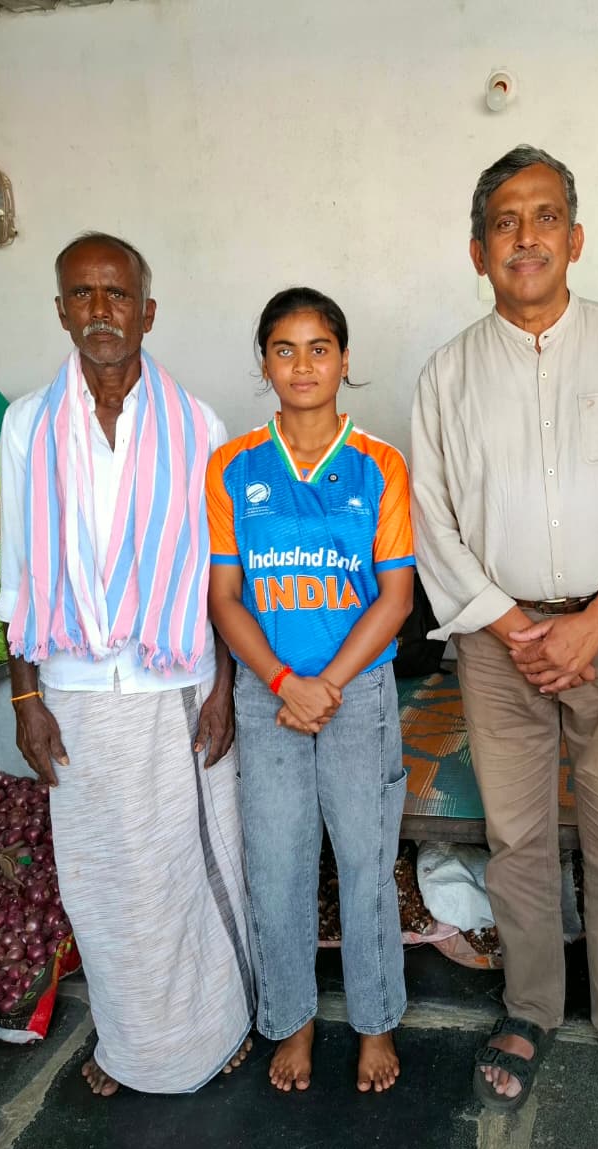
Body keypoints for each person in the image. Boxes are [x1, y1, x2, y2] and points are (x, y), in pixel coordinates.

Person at [410, 144, 598, 1127]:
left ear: (574, 237)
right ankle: (530, 1007)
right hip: (497, 638)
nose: (523, 235)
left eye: (542, 217)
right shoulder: (446, 373)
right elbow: (431, 518)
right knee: (518, 837)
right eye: (503, 221)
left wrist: (593, 620)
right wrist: (512, 622)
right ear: (477, 249)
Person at [0, 232, 254, 1095]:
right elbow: (23, 572)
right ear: (61, 311)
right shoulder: (30, 424)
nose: (100, 310)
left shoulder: (198, 425)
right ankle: (133, 1043)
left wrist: (220, 688)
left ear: (148, 310)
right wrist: (27, 697)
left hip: (174, 685)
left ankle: (215, 1030)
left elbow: (217, 573)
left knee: (189, 866)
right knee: (104, 886)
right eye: (81, 294)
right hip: (73, 693)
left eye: (116, 293)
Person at [206, 287, 413, 1094]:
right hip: (268, 695)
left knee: (365, 861)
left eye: (318, 347)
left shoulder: (379, 464)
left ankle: (375, 1023)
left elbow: (394, 597)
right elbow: (225, 596)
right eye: (284, 349)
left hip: (356, 694)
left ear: (344, 360)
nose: (302, 364)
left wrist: (324, 683)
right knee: (279, 862)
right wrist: (285, 682)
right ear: (263, 362)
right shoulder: (235, 465)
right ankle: (291, 1019)